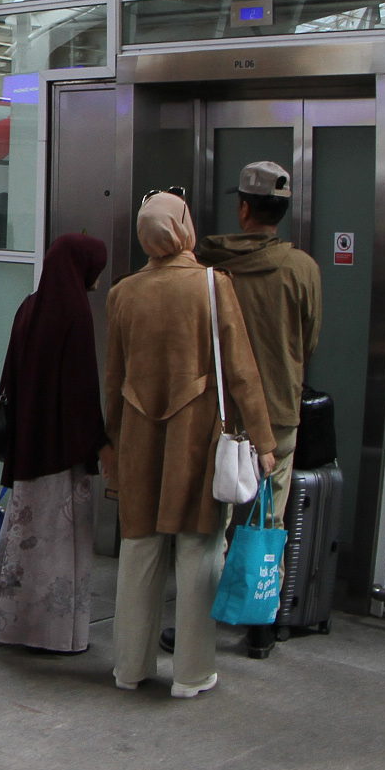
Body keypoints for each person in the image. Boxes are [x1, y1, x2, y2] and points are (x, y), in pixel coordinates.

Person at [101, 191, 274, 698]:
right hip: (195, 444)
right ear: (183, 227)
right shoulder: (211, 285)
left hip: (136, 443)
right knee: (198, 555)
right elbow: (240, 372)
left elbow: (113, 378)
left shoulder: (123, 293)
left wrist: (110, 444)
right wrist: (263, 441)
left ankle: (129, 668)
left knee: (138, 556)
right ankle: (192, 673)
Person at [197, 160, 320, 659]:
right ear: (283, 210)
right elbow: (308, 341)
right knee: (267, 519)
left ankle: (196, 624)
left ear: (244, 207)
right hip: (279, 415)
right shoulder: (303, 268)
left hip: (219, 413)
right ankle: (260, 624)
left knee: (209, 523)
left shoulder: (210, 262)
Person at [0, 233, 109, 654]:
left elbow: (10, 378)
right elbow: (82, 389)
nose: (98, 280)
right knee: (60, 542)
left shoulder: (30, 307)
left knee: (28, 536)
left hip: (28, 447)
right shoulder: (76, 313)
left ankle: (13, 623)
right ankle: (56, 633)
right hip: (62, 450)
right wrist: (95, 443)